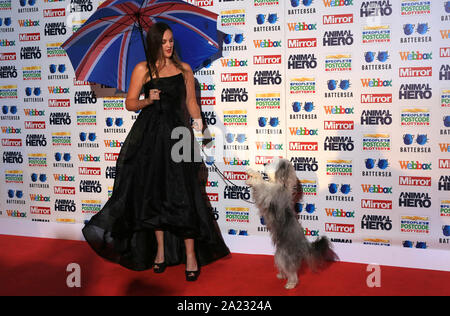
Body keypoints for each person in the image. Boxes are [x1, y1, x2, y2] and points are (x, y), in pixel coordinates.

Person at [82, 22, 230, 282]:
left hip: (179, 136)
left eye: (171, 40)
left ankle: (191, 255)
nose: (169, 45)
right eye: (163, 42)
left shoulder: (184, 70)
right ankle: (160, 252)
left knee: (185, 195)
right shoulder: (143, 69)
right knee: (155, 196)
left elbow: (192, 105)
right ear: (154, 43)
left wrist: (204, 137)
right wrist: (147, 100)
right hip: (149, 139)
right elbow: (130, 103)